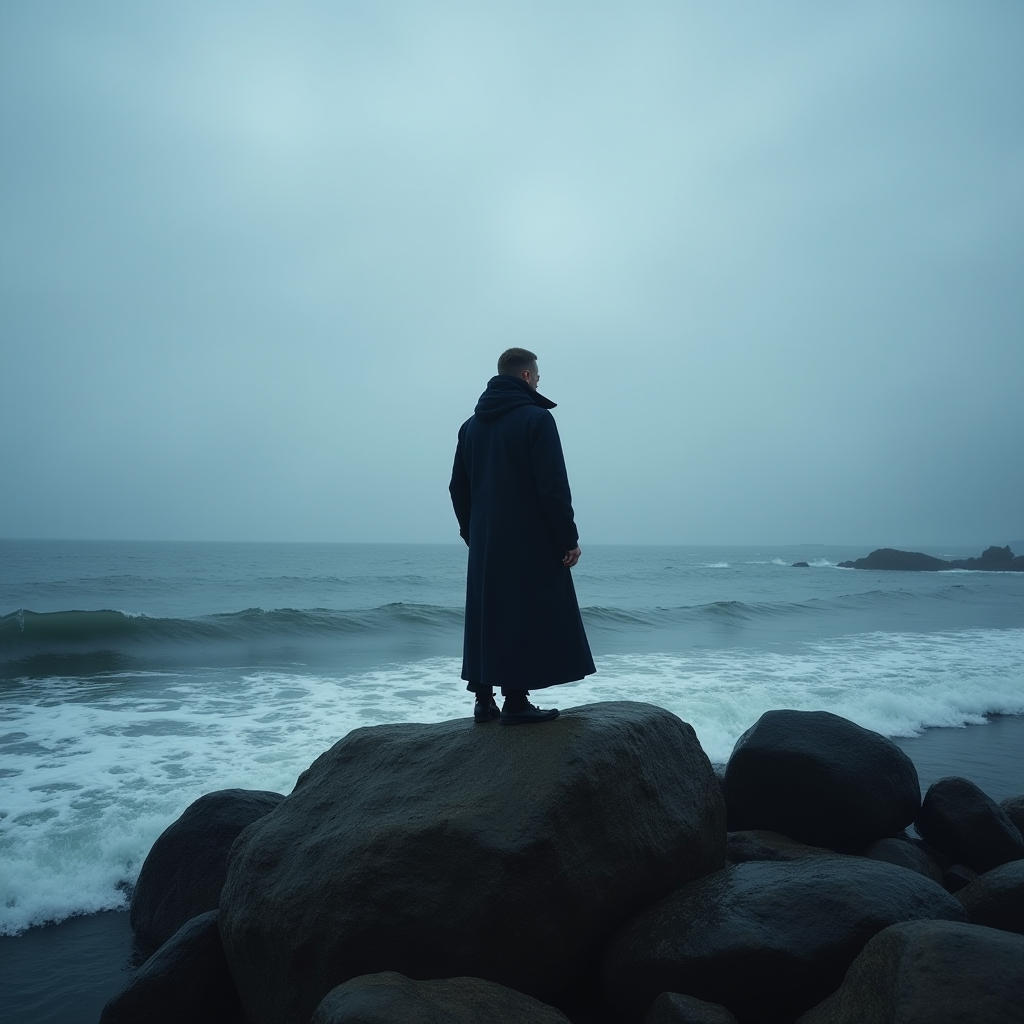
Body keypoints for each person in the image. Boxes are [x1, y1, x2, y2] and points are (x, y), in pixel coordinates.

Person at [449, 348, 596, 725]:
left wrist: (472, 532)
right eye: (538, 378)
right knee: (522, 610)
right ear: (528, 377)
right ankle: (515, 701)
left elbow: (457, 488)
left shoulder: (470, 426)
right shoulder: (537, 419)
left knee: (488, 610)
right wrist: (568, 537)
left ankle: (484, 701)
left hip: (485, 537)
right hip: (529, 536)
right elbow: (552, 487)